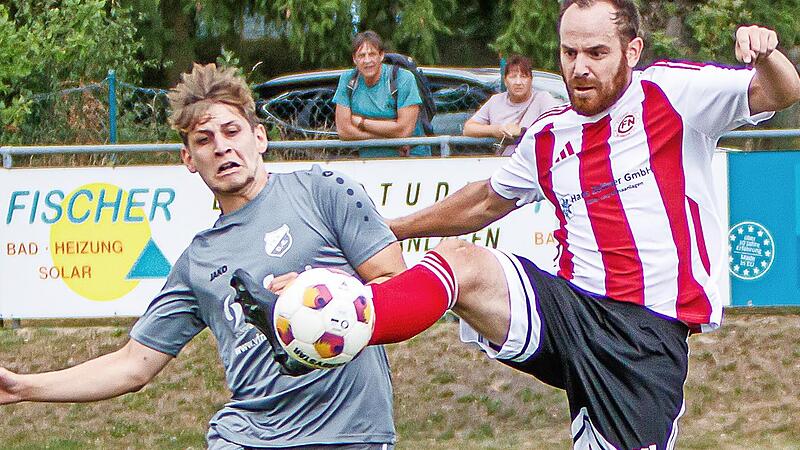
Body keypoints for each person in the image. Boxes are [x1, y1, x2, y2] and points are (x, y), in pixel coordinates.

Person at [241, 1, 800, 449]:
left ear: (632, 49)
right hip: (571, 310)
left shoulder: (674, 94)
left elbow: (780, 92)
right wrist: (393, 228)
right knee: (462, 263)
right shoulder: (549, 134)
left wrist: (766, 53)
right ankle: (328, 330)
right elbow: (486, 200)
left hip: (645, 338)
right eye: (569, 51)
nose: (580, 67)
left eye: (597, 52)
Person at [0, 63, 407, 449]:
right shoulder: (199, 260)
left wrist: (324, 294)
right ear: (188, 159)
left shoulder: (323, 191)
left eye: (232, 131)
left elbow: (397, 286)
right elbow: (132, 365)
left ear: (260, 137)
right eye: (204, 140)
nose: (222, 148)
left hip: (353, 433)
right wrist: (22, 387)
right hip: (248, 437)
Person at [333, 30, 431, 158]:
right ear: (354, 59)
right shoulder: (348, 80)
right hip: (368, 162)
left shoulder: (402, 78)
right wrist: (390, 136)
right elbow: (344, 131)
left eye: (372, 54)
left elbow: (403, 130)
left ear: (381, 56)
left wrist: (361, 123)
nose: (367, 60)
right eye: (362, 55)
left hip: (409, 159)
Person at [463, 55, 562, 156]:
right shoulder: (495, 101)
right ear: (505, 81)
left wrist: (522, 131)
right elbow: (468, 128)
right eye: (513, 77)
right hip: (502, 162)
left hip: (535, 161)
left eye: (523, 76)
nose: (518, 82)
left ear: (531, 80)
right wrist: (495, 130)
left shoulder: (543, 98)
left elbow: (559, 127)